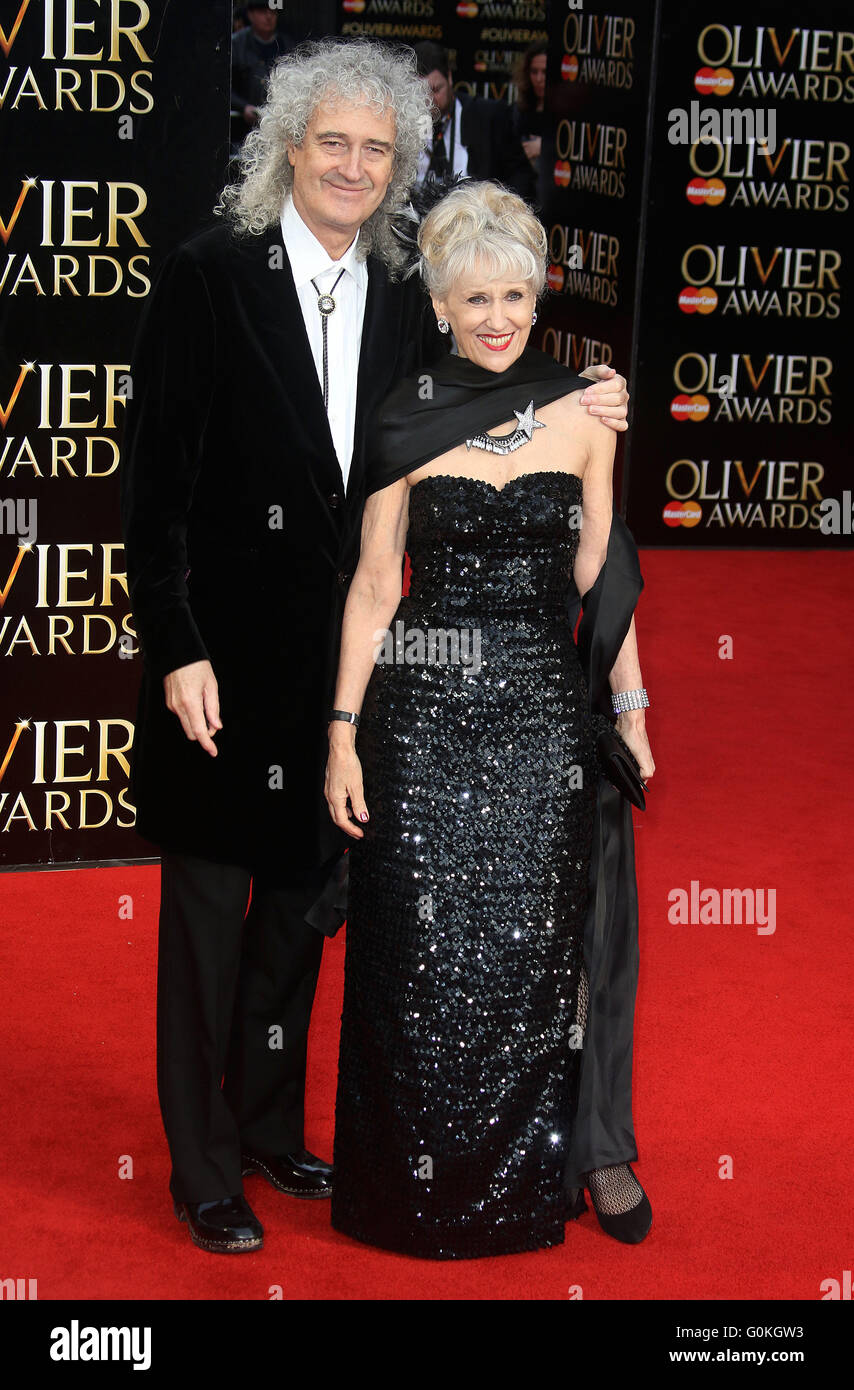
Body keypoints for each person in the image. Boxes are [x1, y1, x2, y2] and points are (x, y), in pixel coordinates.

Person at [121, 38, 629, 1256]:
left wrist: (585, 389)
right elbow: (153, 495)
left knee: (299, 911)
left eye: (377, 147)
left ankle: (264, 1121)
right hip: (221, 664)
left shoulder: (408, 285)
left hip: (351, 668)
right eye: (330, 142)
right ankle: (200, 1169)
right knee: (204, 915)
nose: (352, 165)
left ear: (400, 162)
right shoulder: (206, 275)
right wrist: (176, 643)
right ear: (287, 147)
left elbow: (472, 392)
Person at [325, 181, 654, 1259]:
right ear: (440, 301)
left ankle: (521, 1187)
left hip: (538, 723)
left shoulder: (582, 408)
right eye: (476, 299)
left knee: (528, 965)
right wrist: (340, 731)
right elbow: (375, 585)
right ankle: (403, 1192)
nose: (500, 317)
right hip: (419, 716)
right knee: (416, 956)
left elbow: (601, 573)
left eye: (516, 294)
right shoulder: (407, 416)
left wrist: (631, 706)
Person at [412, 41, 529, 195]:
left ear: (449, 77)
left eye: (436, 90)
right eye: (420, 93)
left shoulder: (489, 116)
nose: (429, 101)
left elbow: (521, 176)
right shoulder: (402, 120)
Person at [230, 0, 295, 148]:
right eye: (262, 11)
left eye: (273, 12)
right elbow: (223, 86)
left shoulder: (287, 44)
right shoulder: (235, 44)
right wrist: (243, 107)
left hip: (279, 130)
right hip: (242, 131)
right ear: (251, 14)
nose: (269, 17)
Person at [510, 41, 548, 207]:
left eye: (544, 72)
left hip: (550, 192)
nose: (539, 79)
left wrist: (545, 147)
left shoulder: (565, 111)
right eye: (534, 72)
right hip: (523, 193)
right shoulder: (519, 110)